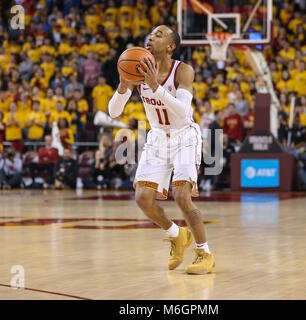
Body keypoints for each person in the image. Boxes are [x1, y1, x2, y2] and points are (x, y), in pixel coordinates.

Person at [107, 25, 214, 274]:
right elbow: (113, 112)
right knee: (142, 198)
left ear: (170, 46)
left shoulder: (183, 71)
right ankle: (176, 235)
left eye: (159, 34)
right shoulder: (138, 68)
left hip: (184, 135)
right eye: (151, 34)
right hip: (157, 137)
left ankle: (205, 253)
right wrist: (123, 86)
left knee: (181, 196)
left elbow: (184, 111)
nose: (151, 36)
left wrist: (155, 86)